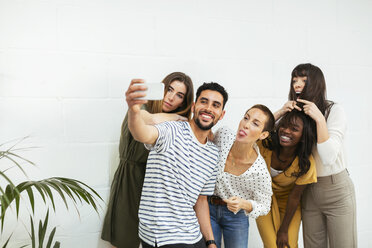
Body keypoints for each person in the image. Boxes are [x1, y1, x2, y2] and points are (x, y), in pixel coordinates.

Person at [127, 81, 228, 248]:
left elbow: (201, 201)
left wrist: (210, 241)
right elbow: (142, 133)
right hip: (163, 236)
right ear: (194, 106)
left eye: (215, 105)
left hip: (193, 233)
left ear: (221, 114)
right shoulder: (172, 130)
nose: (209, 108)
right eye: (204, 102)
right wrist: (134, 110)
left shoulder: (213, 153)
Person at [101, 72, 194, 248]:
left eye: (179, 95)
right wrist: (174, 116)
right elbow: (149, 120)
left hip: (156, 189)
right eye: (169, 90)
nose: (171, 97)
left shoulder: (176, 127)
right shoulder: (140, 110)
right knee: (126, 239)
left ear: (184, 101)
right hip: (130, 182)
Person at [275, 63, 357, 248]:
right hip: (307, 189)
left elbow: (328, 157)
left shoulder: (334, 111)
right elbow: (262, 136)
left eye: (303, 80)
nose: (297, 84)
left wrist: (319, 118)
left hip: (336, 189)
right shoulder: (295, 113)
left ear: (316, 84)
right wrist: (280, 112)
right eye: (294, 80)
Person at [208, 104, 274, 248]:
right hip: (208, 208)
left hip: (236, 217)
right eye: (246, 118)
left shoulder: (259, 171)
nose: (246, 125)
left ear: (263, 135)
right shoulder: (223, 135)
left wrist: (244, 204)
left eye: (255, 124)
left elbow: (265, 205)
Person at [256, 110, 317, 248]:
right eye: (283, 125)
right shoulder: (265, 144)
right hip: (263, 199)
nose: (286, 131)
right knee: (272, 245)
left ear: (303, 136)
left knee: (288, 245)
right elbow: (249, 136)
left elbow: (295, 197)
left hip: (289, 203)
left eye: (294, 129)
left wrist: (283, 230)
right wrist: (281, 111)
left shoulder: (306, 163)